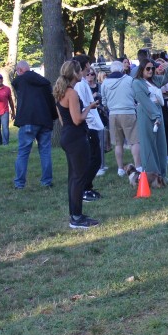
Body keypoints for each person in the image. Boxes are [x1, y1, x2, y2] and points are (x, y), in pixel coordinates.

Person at [53, 61, 100, 229]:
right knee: (79, 178)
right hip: (76, 138)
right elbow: (77, 119)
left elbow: (62, 119)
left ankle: (75, 214)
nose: (83, 73)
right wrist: (89, 107)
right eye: (80, 71)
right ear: (74, 74)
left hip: (67, 136)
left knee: (73, 177)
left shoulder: (60, 91)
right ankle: (77, 218)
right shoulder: (71, 93)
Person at [11, 60, 57, 189]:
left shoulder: (20, 81)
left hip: (28, 120)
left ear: (20, 70)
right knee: (45, 151)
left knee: (23, 152)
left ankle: (19, 183)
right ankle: (46, 181)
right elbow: (51, 101)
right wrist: (53, 116)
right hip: (45, 119)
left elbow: (15, 83)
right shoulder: (44, 81)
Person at [131, 55, 168, 184]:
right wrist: (155, 116)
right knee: (149, 145)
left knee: (161, 144)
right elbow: (144, 101)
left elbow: (167, 77)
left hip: (157, 110)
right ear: (141, 69)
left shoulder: (154, 80)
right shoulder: (137, 83)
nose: (151, 71)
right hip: (146, 113)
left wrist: (167, 67)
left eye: (153, 68)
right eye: (148, 68)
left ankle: (162, 174)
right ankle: (153, 176)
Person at [73, 58, 106, 201]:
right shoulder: (80, 85)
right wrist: (91, 121)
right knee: (94, 159)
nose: (89, 66)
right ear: (83, 66)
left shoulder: (83, 83)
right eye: (88, 64)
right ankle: (84, 188)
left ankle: (88, 186)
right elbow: (83, 106)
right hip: (89, 125)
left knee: (96, 159)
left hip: (93, 124)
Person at [101, 59, 141, 175]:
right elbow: (135, 95)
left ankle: (120, 168)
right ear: (122, 69)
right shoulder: (129, 80)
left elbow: (104, 101)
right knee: (134, 141)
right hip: (128, 112)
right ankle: (138, 167)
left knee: (118, 143)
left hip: (113, 114)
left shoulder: (104, 83)